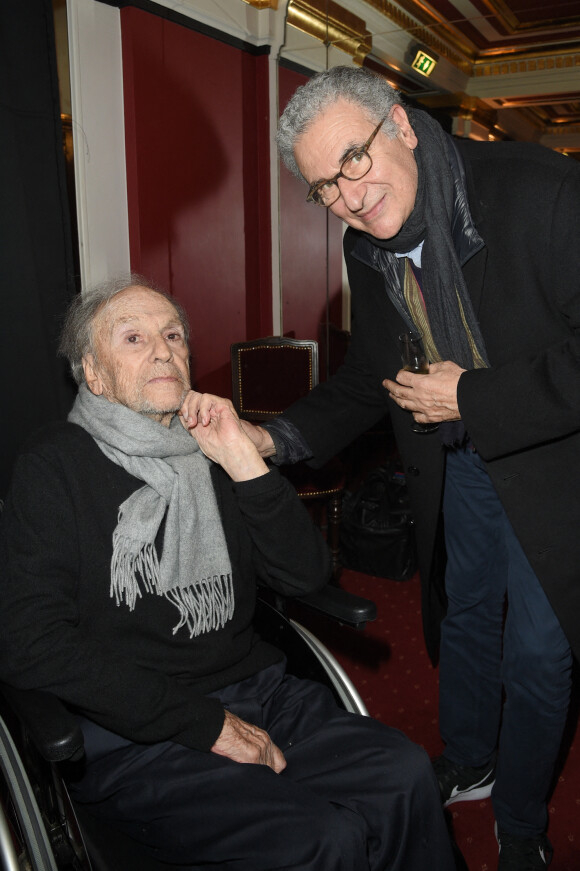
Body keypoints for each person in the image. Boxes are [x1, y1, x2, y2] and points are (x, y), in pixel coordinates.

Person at [0, 276, 456, 871]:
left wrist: (244, 461)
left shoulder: (212, 448)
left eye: (173, 335)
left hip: (258, 692)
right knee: (317, 840)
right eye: (134, 337)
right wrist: (204, 723)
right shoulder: (55, 466)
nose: (163, 349)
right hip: (135, 731)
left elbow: (303, 573)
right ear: (94, 373)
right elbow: (30, 642)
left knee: (406, 774)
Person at [243, 66, 580, 870]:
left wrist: (477, 394)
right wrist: (278, 438)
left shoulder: (542, 190)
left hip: (552, 464)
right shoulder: (369, 246)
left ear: (398, 124)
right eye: (324, 187)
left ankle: (523, 817)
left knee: (537, 652)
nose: (348, 200)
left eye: (352, 161)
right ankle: (472, 757)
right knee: (462, 613)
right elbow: (369, 377)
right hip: (457, 461)